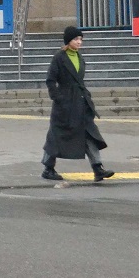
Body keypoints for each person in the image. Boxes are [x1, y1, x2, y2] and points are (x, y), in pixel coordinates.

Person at [42, 26, 115, 182]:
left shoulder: (80, 57)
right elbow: (50, 80)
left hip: (81, 102)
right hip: (64, 104)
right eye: (76, 39)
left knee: (89, 134)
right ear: (69, 41)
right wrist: (58, 98)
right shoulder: (59, 58)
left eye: (81, 39)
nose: (80, 42)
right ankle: (48, 168)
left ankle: (98, 168)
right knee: (56, 136)